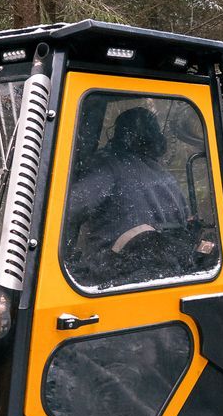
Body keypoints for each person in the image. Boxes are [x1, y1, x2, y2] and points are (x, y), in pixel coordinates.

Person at [65, 104, 214, 285]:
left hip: (117, 278)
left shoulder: (107, 165)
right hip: (169, 273)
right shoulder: (165, 176)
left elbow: (70, 209)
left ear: (120, 134)